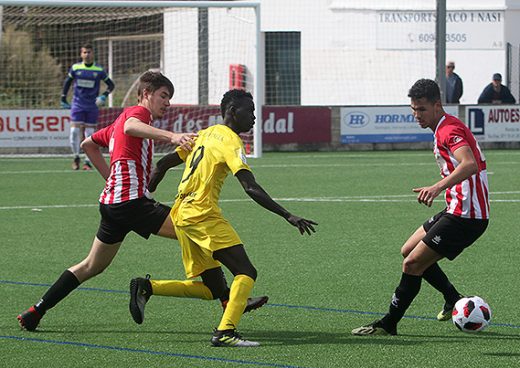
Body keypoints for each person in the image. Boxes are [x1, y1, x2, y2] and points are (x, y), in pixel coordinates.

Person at [17, 72, 266, 332]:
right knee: (195, 226)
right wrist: (171, 136)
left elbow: (88, 144)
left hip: (113, 204)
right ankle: (228, 299)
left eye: (169, 98)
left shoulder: (117, 122)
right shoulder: (138, 114)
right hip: (132, 203)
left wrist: (112, 180)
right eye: (163, 96)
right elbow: (130, 127)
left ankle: (36, 311)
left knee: (91, 265)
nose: (167, 103)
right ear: (146, 94)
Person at [130, 89, 318, 347]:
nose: (253, 117)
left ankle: (147, 287)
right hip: (202, 214)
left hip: (181, 214)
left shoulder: (204, 134)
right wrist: (287, 215)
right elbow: (250, 187)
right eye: (249, 111)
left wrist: (147, 195)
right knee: (246, 272)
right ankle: (226, 332)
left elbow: (162, 164)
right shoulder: (231, 141)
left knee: (213, 289)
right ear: (233, 112)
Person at [352, 79, 489, 336]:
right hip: (456, 208)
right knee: (408, 251)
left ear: (437, 105)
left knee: (413, 264)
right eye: (413, 109)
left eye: (422, 109)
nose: (416, 115)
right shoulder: (442, 127)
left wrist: (437, 187)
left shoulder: (449, 130)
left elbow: (469, 164)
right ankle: (451, 297)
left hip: (468, 216)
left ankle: (389, 323)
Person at [61, 43, 115, 171]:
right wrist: (63, 97)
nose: (87, 54)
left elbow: (111, 85)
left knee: (90, 134)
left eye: (89, 52)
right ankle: (76, 157)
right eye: (84, 52)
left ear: (93, 53)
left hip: (92, 106)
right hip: (77, 104)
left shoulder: (99, 70)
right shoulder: (75, 68)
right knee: (74, 132)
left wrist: (103, 96)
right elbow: (67, 83)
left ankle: (87, 161)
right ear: (81, 54)